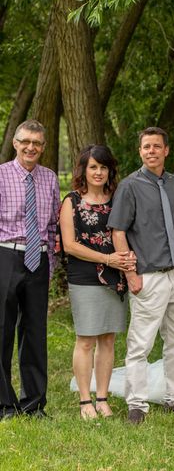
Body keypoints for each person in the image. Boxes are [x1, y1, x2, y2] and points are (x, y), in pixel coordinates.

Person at [108, 127, 174, 424]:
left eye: (157, 146)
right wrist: (131, 274)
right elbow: (118, 231)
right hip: (149, 275)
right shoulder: (130, 186)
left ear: (166, 150)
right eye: (146, 147)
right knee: (140, 344)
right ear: (140, 151)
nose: (151, 151)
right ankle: (137, 404)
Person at [59, 145, 135, 419]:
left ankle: (102, 398)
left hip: (115, 278)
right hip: (85, 277)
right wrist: (108, 259)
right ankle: (84, 401)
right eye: (93, 167)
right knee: (86, 339)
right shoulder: (72, 201)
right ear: (84, 170)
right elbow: (70, 245)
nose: (99, 172)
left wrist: (123, 261)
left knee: (108, 339)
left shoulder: (117, 199)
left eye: (103, 167)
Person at [0, 119, 60, 420]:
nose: (31, 147)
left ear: (43, 147)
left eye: (37, 143)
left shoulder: (49, 178)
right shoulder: (0, 176)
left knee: (35, 333)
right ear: (15, 143)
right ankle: (4, 404)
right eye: (26, 141)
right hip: (6, 257)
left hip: (38, 259)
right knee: (2, 330)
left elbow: (52, 226)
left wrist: (49, 264)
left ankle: (34, 403)